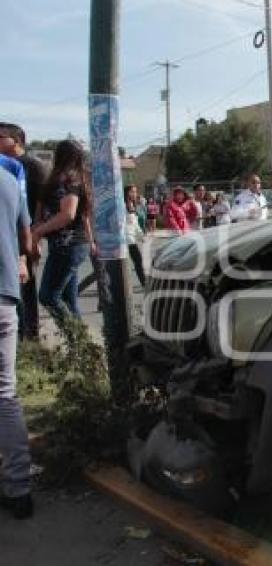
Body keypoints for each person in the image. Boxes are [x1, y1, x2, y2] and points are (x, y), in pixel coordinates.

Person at [0, 165, 34, 519]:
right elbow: (27, 240)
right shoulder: (9, 180)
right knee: (5, 394)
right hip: (5, 299)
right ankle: (18, 488)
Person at [31, 139, 92, 325]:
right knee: (69, 299)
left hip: (69, 245)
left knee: (48, 296)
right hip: (69, 245)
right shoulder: (71, 178)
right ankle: (83, 350)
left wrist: (39, 231)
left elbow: (68, 214)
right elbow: (81, 216)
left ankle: (78, 341)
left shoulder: (70, 179)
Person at [0, 124, 47, 341]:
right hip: (9, 231)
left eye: (1, 137)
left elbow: (40, 202)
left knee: (26, 287)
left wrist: (35, 234)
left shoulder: (32, 166)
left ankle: (30, 333)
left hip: (25, 232)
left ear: (16, 141)